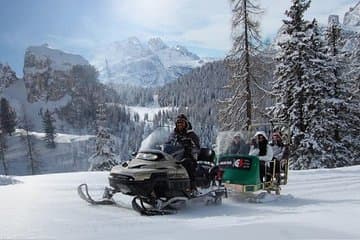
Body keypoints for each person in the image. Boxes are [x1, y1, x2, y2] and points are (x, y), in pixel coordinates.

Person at [167, 114, 200, 191]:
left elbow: (197, 148)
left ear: (186, 123)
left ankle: (192, 188)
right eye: (178, 122)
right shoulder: (173, 135)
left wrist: (189, 147)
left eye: (182, 122)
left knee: (187, 164)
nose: (180, 124)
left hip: (188, 157)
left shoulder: (191, 135)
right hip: (174, 157)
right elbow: (167, 144)